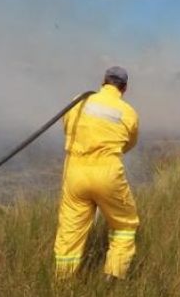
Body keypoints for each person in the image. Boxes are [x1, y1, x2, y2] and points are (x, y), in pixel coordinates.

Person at [54, 66, 140, 280]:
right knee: (124, 224)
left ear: (103, 81)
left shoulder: (80, 101)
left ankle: (63, 281)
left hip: (75, 172)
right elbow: (129, 143)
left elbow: (68, 128)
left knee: (70, 229)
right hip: (108, 173)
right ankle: (112, 277)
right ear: (125, 88)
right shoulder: (128, 112)